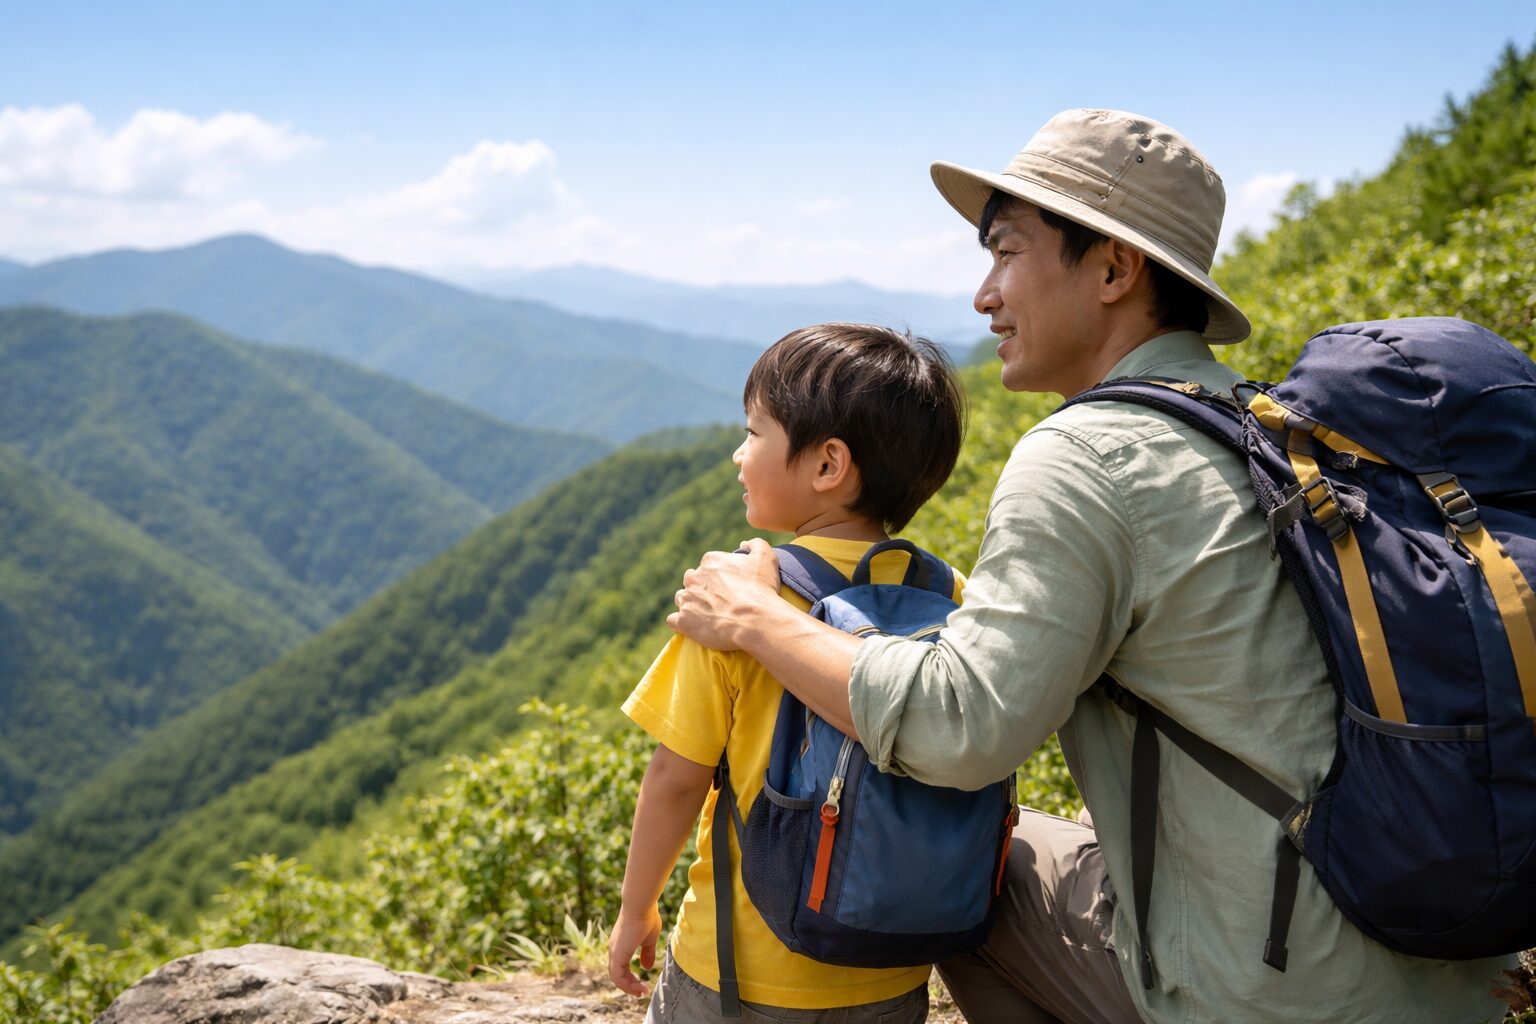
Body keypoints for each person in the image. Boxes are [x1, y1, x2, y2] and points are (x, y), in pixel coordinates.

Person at [666, 110, 1512, 1024]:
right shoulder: (1262, 426)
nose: (985, 296)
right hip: (1427, 948)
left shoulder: (1087, 456)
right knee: (1023, 845)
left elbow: (961, 731)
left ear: (1113, 269)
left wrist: (753, 617)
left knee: (972, 861)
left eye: (1007, 252)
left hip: (1272, 992)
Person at [607, 322, 967, 1023]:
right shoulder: (952, 596)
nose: (739, 454)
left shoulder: (740, 604)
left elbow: (675, 778)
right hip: (893, 966)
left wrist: (635, 910)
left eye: (755, 432)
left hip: (739, 971)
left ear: (827, 465)